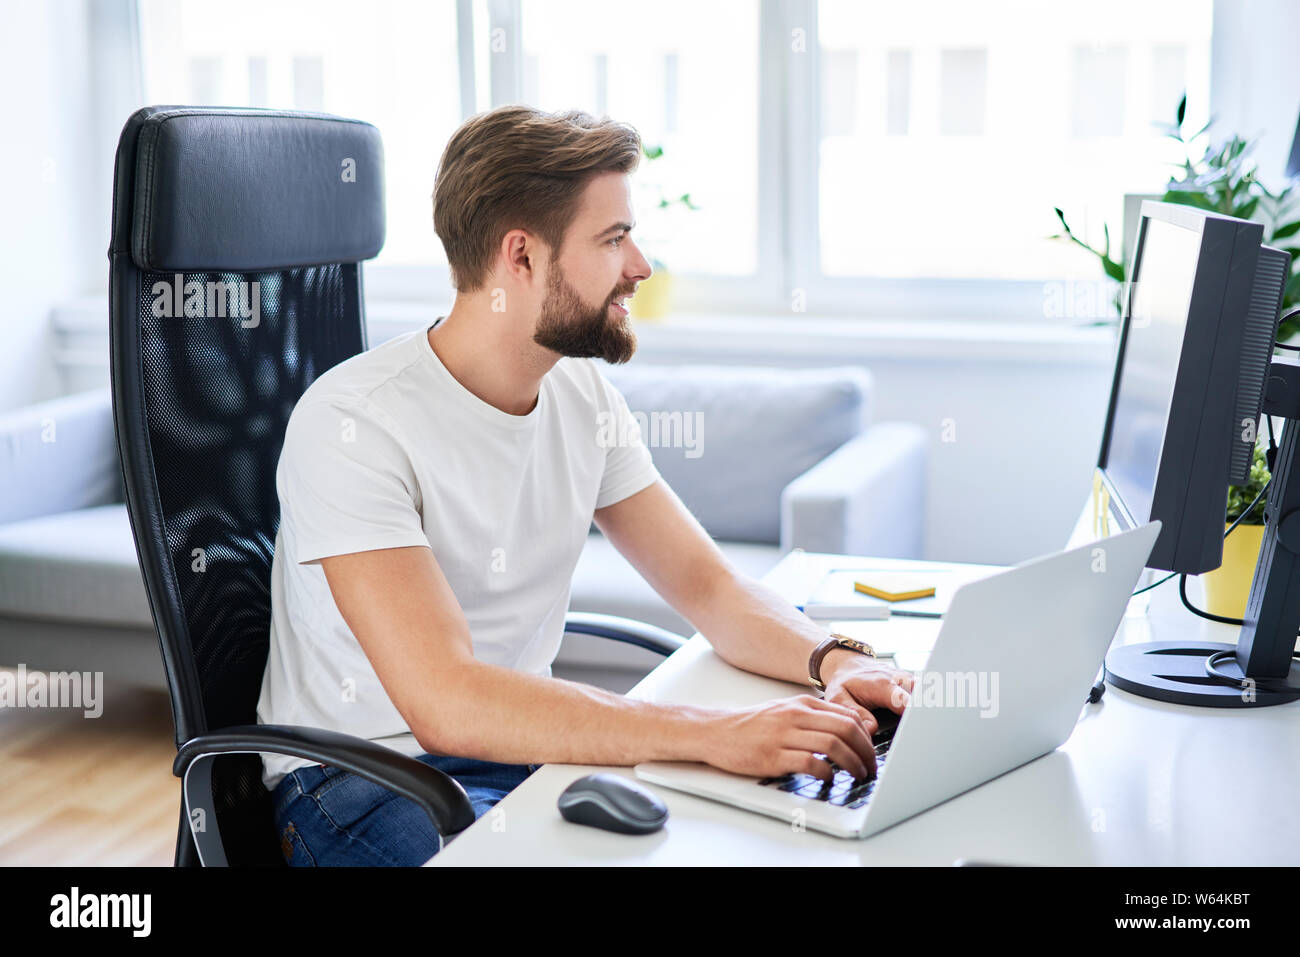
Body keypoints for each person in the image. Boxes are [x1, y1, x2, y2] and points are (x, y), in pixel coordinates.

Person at [258, 104, 914, 866]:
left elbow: (712, 588)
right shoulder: (355, 421)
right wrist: (713, 733)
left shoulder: (580, 395)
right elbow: (446, 701)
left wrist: (840, 660)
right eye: (613, 239)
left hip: (518, 749)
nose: (640, 265)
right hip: (358, 780)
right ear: (521, 257)